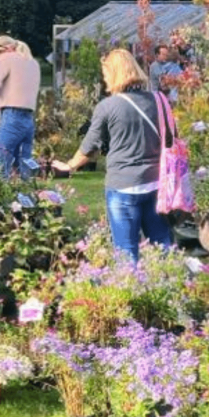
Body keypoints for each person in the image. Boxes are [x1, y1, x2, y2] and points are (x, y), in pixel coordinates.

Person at [52, 49, 172, 263]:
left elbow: (90, 148)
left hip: (123, 186)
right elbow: (171, 138)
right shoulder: (159, 100)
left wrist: (69, 166)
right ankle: (172, 290)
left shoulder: (107, 106)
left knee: (126, 249)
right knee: (162, 244)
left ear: (114, 74)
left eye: (106, 73)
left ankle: (131, 292)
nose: (104, 79)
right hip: (156, 184)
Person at [0, 35, 41, 178]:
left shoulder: (7, 58)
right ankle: (27, 197)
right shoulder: (33, 63)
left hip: (12, 116)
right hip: (29, 119)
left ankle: (0, 200)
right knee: (24, 168)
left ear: (5, 49)